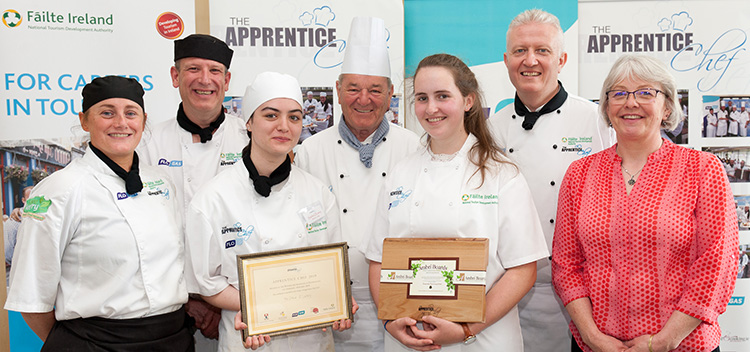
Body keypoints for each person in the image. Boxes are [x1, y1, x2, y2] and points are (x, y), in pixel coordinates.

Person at [552, 54, 738, 352]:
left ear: (667, 107)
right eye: (619, 94)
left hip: (682, 345)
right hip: (596, 346)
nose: (631, 103)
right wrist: (591, 336)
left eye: (645, 93)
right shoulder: (580, 174)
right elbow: (566, 265)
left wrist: (665, 340)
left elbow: (717, 264)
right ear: (606, 107)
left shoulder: (702, 169)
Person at [366, 53, 548, 352]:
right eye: (422, 98)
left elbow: (522, 271)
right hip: (410, 338)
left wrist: (465, 330)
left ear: (468, 101)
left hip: (483, 339)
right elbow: (378, 260)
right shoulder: (399, 173)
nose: (431, 108)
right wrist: (389, 322)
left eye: (442, 96)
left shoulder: (501, 174)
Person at [4, 76, 193, 350]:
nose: (121, 123)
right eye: (107, 113)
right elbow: (32, 299)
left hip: (171, 338)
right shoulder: (59, 189)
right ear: (84, 121)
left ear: (143, 120)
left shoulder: (161, 182)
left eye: (131, 113)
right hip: (96, 343)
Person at [184, 72, 354, 351]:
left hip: (311, 340)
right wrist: (262, 308)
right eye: (271, 116)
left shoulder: (318, 193)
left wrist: (337, 300)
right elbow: (207, 283)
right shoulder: (213, 199)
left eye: (294, 117)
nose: (284, 126)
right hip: (249, 338)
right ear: (248, 122)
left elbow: (332, 268)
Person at [486, 9, 613, 351]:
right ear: (506, 59)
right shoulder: (490, 130)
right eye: (519, 51)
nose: (530, 60)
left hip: (581, 297)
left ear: (562, 59)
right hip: (505, 293)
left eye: (542, 50)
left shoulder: (597, 121)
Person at [295, 16, 420, 352]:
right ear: (337, 90)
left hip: (401, 303)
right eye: (353, 88)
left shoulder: (415, 148)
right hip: (331, 305)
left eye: (375, 89)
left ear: (391, 93)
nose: (363, 99)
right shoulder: (309, 151)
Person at [138, 33, 247, 345]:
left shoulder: (251, 139)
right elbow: (144, 231)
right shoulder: (147, 144)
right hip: (170, 305)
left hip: (239, 304)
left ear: (227, 80)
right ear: (175, 76)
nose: (205, 80)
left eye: (214, 71)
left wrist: (219, 299)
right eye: (193, 69)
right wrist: (191, 299)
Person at [4, 185, 32, 285]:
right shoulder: (14, 220)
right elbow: (7, 251)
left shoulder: (45, 217)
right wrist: (19, 263)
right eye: (30, 198)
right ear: (23, 200)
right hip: (21, 272)